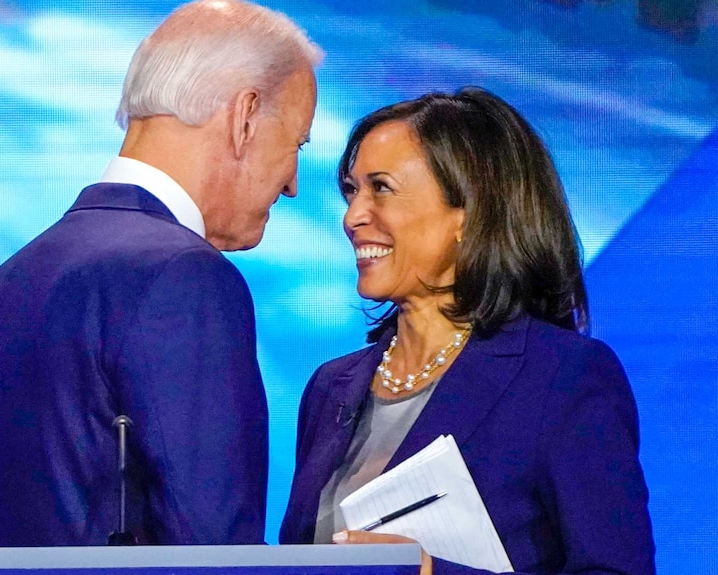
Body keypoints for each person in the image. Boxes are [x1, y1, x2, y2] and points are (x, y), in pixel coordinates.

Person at [0, 0, 321, 546]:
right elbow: (215, 549)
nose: (291, 184)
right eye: (297, 144)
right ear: (244, 118)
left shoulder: (12, 278)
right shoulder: (184, 277)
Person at [280, 88, 655, 574]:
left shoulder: (563, 378)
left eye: (382, 188)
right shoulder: (330, 387)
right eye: (352, 190)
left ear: (468, 212)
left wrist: (431, 572)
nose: (353, 216)